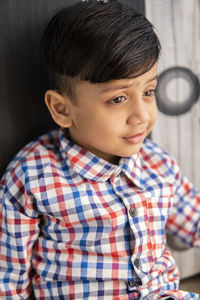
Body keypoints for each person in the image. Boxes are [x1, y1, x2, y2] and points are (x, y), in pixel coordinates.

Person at [0, 0, 199, 299]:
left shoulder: (159, 164)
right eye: (118, 99)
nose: (142, 116)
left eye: (148, 92)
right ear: (62, 108)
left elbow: (193, 222)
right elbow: (8, 280)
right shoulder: (31, 176)